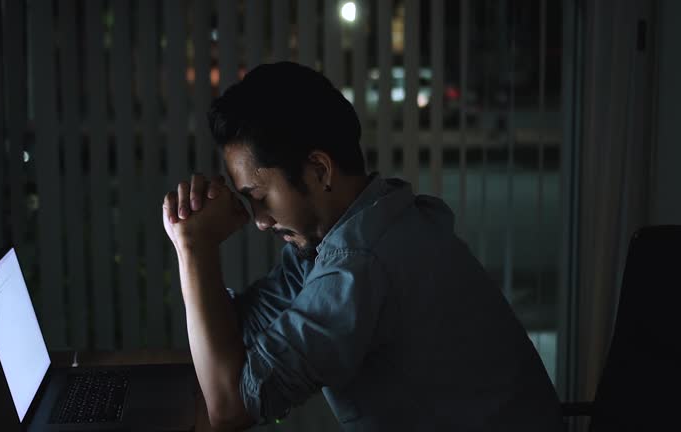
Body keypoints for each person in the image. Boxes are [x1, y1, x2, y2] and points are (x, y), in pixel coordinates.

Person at [161, 62, 563, 431]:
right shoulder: (362, 222)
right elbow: (238, 338)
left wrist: (194, 248)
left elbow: (229, 409)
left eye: (259, 195)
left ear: (319, 170)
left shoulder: (359, 261)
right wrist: (196, 242)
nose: (260, 220)